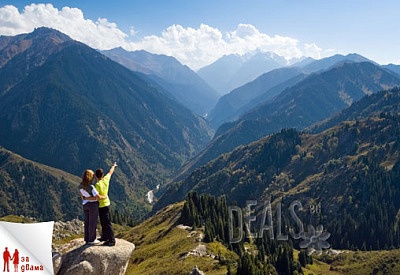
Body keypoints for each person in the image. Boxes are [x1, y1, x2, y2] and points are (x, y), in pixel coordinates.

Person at [79, 169, 107, 245]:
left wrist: (86, 198)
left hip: (85, 205)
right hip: (92, 205)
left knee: (87, 222)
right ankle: (92, 239)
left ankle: (87, 239)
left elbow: (82, 197)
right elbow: (96, 197)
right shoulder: (91, 187)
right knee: (92, 222)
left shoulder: (80, 185)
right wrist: (104, 197)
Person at [95, 162, 117, 246]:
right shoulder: (106, 179)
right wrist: (113, 166)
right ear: (102, 175)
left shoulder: (97, 185)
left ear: (96, 176)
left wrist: (101, 197)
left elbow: (97, 197)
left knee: (106, 223)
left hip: (101, 205)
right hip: (107, 203)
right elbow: (110, 172)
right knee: (103, 221)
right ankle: (104, 237)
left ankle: (112, 240)